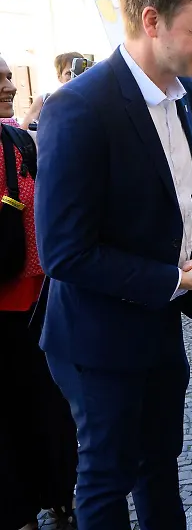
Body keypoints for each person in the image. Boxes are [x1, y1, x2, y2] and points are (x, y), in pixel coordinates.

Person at [34, 0, 192, 529]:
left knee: (161, 466)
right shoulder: (79, 108)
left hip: (158, 325)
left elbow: (191, 192)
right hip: (95, 338)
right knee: (106, 477)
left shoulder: (180, 97)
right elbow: (64, 252)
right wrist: (177, 279)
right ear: (152, 21)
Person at [0, 57, 78, 530]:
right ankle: (16, 510)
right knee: (6, 416)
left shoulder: (16, 140)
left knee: (51, 405)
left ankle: (61, 497)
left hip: (39, 300)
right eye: (0, 77)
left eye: (9, 76)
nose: (9, 85)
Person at [21, 52, 85, 129]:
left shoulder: (94, 100)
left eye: (79, 72)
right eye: (69, 73)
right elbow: (24, 131)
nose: (74, 77)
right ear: (59, 77)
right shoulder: (44, 100)